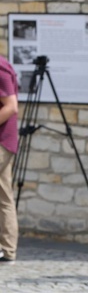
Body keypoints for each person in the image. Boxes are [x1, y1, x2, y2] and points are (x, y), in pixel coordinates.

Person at [0, 54, 19, 265]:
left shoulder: (0, 68)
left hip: (1, 142)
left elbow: (11, 106)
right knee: (4, 195)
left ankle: (8, 249)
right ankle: (8, 250)